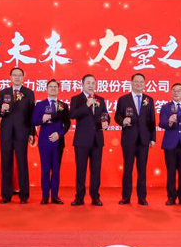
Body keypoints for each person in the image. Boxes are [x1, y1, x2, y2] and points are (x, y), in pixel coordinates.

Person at [0, 67, 36, 204]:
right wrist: (2, 110)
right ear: (10, 77)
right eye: (14, 75)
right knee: (6, 162)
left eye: (19, 75)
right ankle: (6, 195)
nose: (17, 77)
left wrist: (31, 132)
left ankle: (24, 195)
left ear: (23, 77)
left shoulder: (29, 93)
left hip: (22, 132)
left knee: (22, 163)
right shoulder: (3, 92)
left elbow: (32, 114)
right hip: (6, 132)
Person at [114, 73, 156, 205]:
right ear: (131, 83)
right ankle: (126, 197)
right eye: (136, 82)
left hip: (144, 140)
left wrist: (153, 138)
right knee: (128, 168)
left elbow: (152, 120)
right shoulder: (123, 99)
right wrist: (123, 121)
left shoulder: (149, 100)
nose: (139, 84)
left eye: (141, 82)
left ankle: (142, 197)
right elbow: (117, 116)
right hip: (129, 139)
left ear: (144, 84)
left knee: (142, 169)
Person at [70, 74, 109, 206]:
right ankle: (79, 197)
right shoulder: (76, 99)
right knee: (81, 170)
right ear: (82, 84)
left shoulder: (100, 99)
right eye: (88, 83)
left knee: (96, 170)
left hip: (97, 140)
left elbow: (105, 114)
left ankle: (95, 196)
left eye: (93, 83)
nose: (91, 85)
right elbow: (72, 115)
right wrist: (86, 105)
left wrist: (106, 122)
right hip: (81, 140)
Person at [31, 79, 71, 204]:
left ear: (58, 89)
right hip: (44, 141)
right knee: (45, 169)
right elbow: (34, 121)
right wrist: (42, 119)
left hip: (58, 142)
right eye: (51, 87)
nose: (53, 88)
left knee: (56, 170)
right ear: (47, 89)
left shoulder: (63, 106)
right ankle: (45, 196)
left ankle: (55, 195)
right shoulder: (40, 104)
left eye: (55, 87)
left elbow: (67, 123)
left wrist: (59, 134)